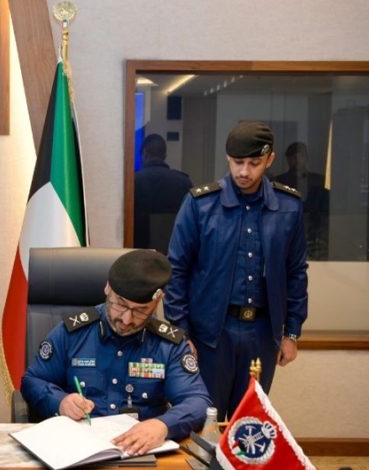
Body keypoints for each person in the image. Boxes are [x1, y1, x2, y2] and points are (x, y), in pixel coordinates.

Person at [165, 121, 308, 420]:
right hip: (210, 334)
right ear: (227, 158)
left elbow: (296, 272)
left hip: (262, 334)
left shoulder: (288, 206)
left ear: (269, 160)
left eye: (254, 163)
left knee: (249, 423)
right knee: (204, 420)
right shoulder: (200, 204)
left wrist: (292, 333)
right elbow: (176, 270)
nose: (244, 171)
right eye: (237, 162)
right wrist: (181, 333)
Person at [21, 250, 211, 456]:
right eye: (120, 305)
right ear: (107, 288)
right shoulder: (73, 332)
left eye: (140, 311)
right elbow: (32, 381)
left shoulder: (168, 344)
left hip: (142, 452)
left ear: (158, 301)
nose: (127, 320)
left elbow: (198, 402)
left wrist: (163, 425)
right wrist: (60, 401)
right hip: (79, 450)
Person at [133, 133, 193, 253]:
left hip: (139, 253)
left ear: (145, 153)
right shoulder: (184, 182)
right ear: (164, 155)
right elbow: (190, 224)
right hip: (174, 254)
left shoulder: (133, 182)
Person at [275, 142, 330, 259]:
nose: (297, 160)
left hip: (315, 232)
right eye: (293, 157)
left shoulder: (320, 181)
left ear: (306, 157)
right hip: (287, 231)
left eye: (300, 156)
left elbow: (326, 212)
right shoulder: (278, 182)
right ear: (288, 159)